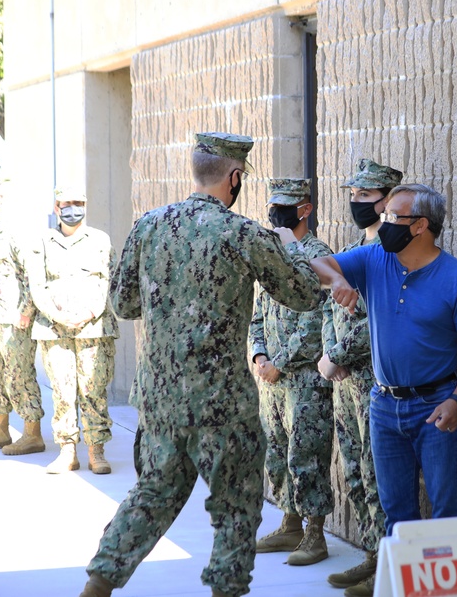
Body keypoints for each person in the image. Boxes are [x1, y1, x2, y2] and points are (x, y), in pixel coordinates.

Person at [80, 132, 323, 597]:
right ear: (234, 178)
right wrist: (304, 256)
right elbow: (304, 294)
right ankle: (225, 591)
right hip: (222, 407)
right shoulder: (244, 233)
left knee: (152, 495)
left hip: (160, 402)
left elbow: (123, 304)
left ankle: (98, 583)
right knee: (235, 508)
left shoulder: (149, 225)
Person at [309, 183, 457, 596]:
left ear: (421, 225)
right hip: (384, 406)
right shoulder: (375, 258)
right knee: (397, 513)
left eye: (393, 217)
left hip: (436, 407)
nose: (384, 222)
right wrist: (338, 279)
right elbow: (316, 262)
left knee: (449, 509)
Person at [319, 159, 402, 595]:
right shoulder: (352, 250)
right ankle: (372, 556)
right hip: (344, 383)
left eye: (365, 196)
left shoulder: (391, 254)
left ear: (388, 200)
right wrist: (329, 357)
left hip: (373, 380)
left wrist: (335, 355)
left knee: (379, 476)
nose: (356, 202)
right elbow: (333, 307)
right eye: (353, 195)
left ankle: (387, 564)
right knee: (356, 472)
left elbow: (380, 320)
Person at [249, 178, 334, 566]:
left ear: (305, 209)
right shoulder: (271, 254)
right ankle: (290, 524)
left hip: (304, 380)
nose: (275, 213)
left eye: (284, 206)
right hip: (272, 381)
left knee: (307, 454)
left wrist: (280, 362)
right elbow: (257, 316)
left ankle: (314, 535)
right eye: (273, 205)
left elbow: (316, 322)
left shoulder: (316, 255)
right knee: (278, 453)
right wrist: (260, 357)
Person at [21, 185, 119, 475]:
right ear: (57, 207)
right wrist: (58, 315)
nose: (73, 208)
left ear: (86, 206)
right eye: (67, 203)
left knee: (93, 389)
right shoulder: (42, 241)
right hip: (54, 329)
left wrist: (88, 312)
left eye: (78, 203)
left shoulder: (100, 240)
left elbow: (109, 281)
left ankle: (96, 450)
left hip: (93, 328)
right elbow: (36, 286)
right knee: (63, 392)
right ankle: (67, 451)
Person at [0, 177, 45, 456]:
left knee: (19, 376)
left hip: (15, 319)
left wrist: (26, 312)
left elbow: (31, 275)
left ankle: (32, 434)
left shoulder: (18, 232)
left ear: (1, 198)